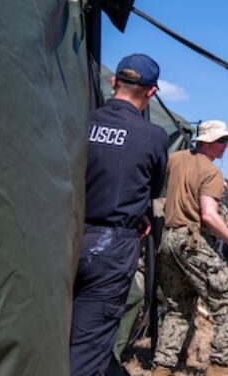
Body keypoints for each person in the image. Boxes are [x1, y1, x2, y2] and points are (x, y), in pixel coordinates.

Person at [70, 53, 169, 376]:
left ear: (114, 82)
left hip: (63, 234)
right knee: (88, 348)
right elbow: (151, 192)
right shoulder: (153, 137)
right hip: (112, 247)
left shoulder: (80, 121)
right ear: (151, 92)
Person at [152, 120, 228, 376]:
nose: (225, 146)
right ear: (208, 142)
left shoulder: (175, 159)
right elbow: (209, 216)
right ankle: (218, 367)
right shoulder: (212, 173)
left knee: (178, 308)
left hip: (168, 241)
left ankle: (162, 368)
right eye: (222, 141)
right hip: (191, 242)